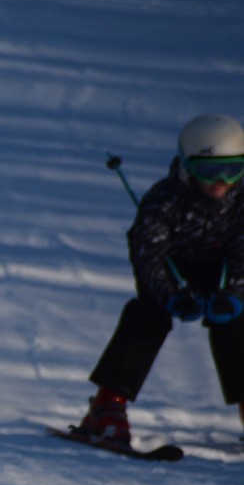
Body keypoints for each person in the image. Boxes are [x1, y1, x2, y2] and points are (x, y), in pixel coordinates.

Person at [76, 113, 244, 446]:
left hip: (223, 274)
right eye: (209, 171)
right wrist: (169, 295)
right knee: (146, 315)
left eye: (233, 170)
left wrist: (236, 292)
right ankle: (108, 405)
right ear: (186, 168)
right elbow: (148, 255)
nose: (221, 180)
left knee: (237, 322)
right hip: (171, 273)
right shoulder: (163, 200)